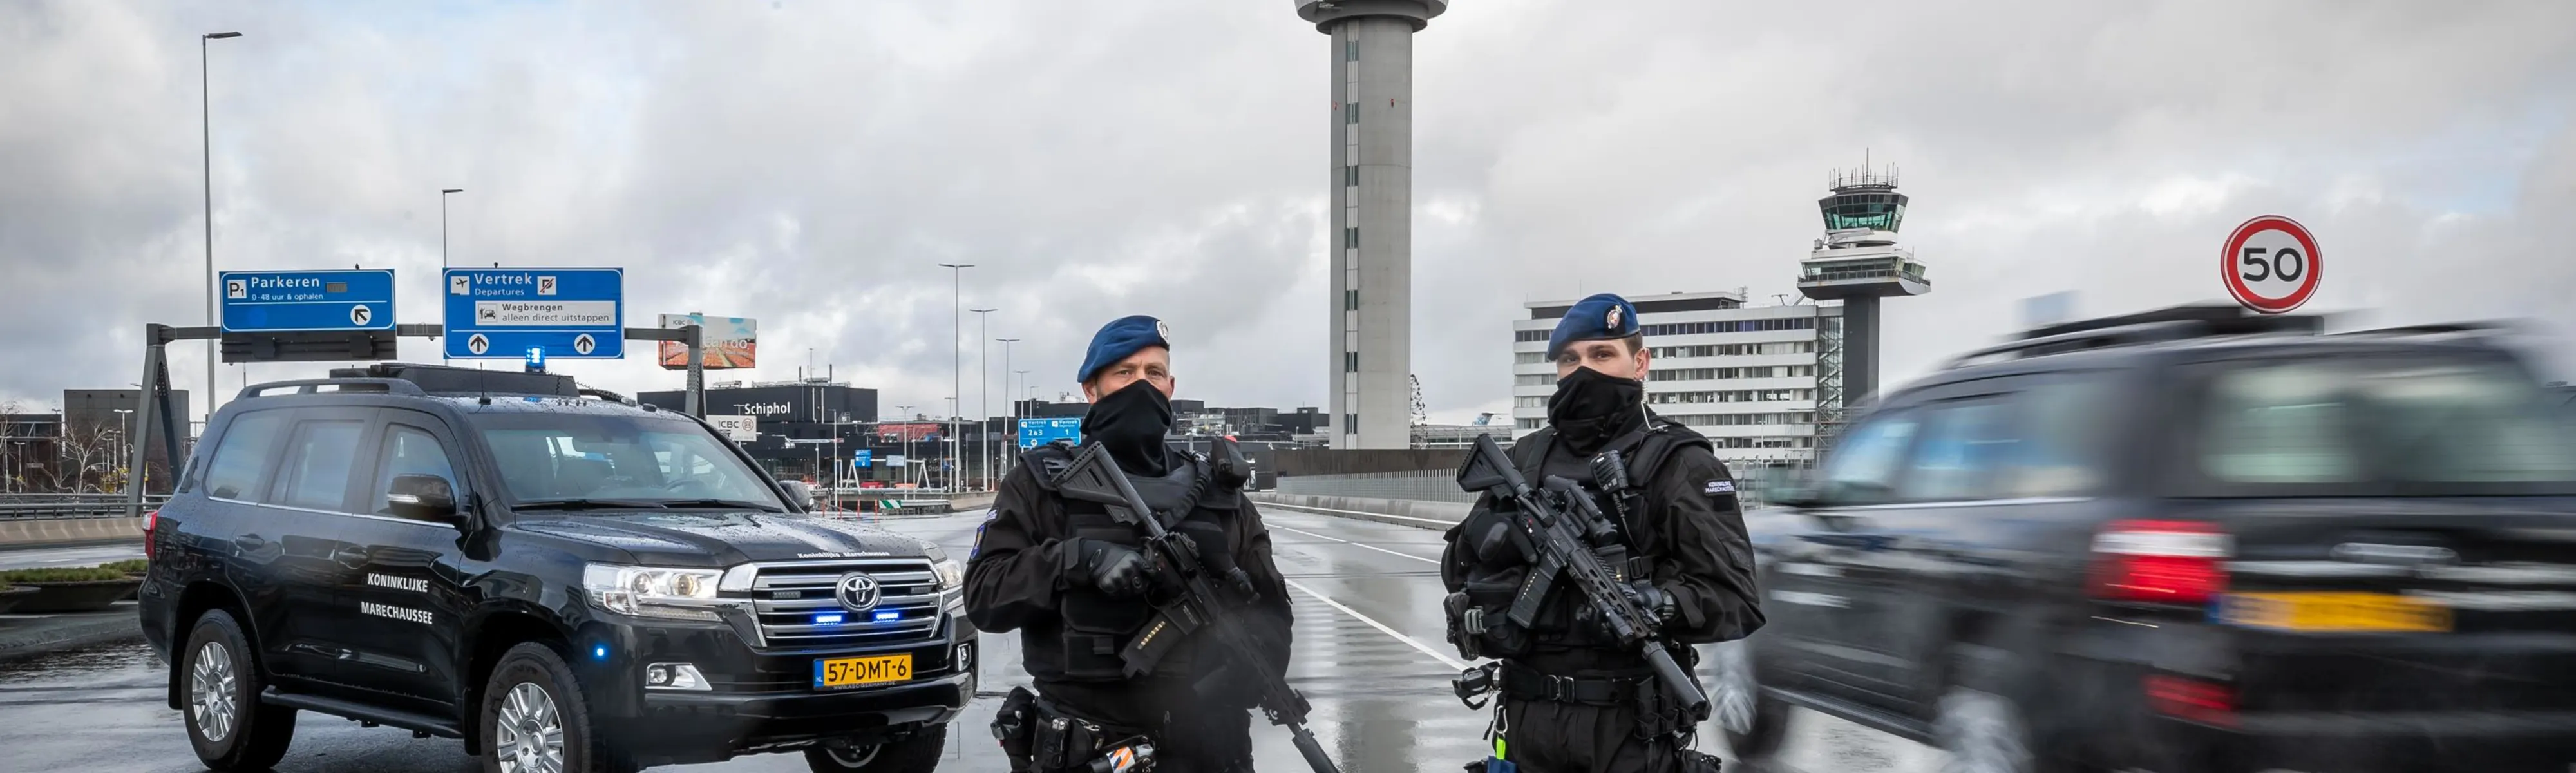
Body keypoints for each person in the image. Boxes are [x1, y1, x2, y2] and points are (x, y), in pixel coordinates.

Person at [1441, 293, 1765, 773]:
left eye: (1602, 354)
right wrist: (1486, 535)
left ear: (1640, 362)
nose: (1584, 371)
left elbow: (1735, 599)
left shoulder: (1680, 463)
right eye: (1570, 359)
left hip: (1629, 731)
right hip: (1525, 721)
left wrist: (1657, 603)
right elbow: (1456, 573)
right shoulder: (1525, 459)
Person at [965, 314, 1293, 773]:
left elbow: (1272, 603)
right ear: (1091, 389)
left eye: (1154, 373)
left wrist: (1261, 653)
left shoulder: (1219, 493)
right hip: (1092, 749)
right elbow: (984, 595)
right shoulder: (1042, 482)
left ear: (1171, 387)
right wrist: (1077, 560)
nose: (1142, 385)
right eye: (1125, 372)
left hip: (1213, 750)